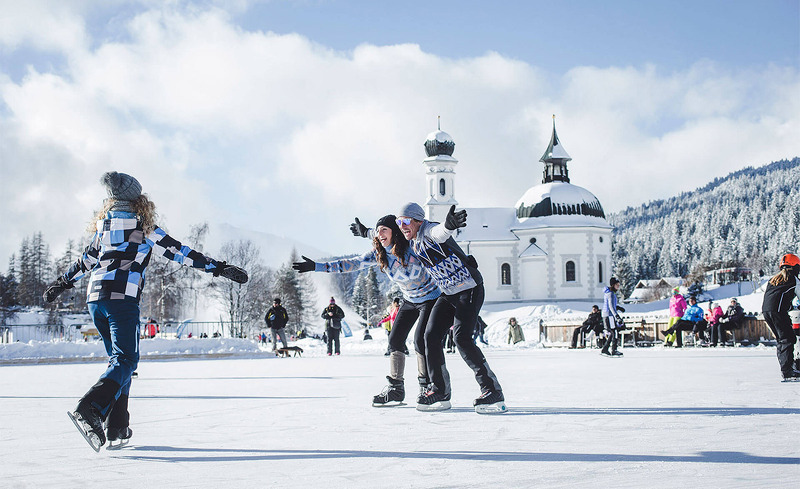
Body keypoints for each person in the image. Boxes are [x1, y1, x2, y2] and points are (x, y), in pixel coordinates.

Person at [43, 171, 248, 450]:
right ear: (138, 199)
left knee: (120, 363)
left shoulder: (103, 230)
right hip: (121, 300)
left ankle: (117, 427)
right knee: (126, 360)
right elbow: (181, 252)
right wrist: (219, 268)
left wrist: (61, 283)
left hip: (95, 301)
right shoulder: (143, 228)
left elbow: (83, 262)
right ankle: (91, 407)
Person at [295, 215, 443, 407]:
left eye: (384, 230)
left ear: (394, 232)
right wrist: (316, 266)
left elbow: (437, 250)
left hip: (431, 298)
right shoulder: (378, 253)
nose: (380, 235)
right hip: (410, 300)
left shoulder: (411, 247)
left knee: (420, 341)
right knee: (395, 340)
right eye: (378, 231)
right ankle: (396, 388)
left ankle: (426, 385)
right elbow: (350, 264)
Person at [394, 203, 505, 413]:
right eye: (399, 222)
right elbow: (384, 232)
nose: (402, 226)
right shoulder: (412, 239)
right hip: (448, 292)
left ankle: (492, 391)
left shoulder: (428, 231)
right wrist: (366, 232)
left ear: (418, 220)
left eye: (406, 221)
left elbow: (440, 233)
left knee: (461, 338)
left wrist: (449, 224)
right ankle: (440, 391)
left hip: (469, 289)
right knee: (430, 336)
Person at [761, 254, 800, 381]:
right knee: (788, 338)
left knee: (782, 339)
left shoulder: (774, 279)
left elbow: (776, 296)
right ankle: (787, 371)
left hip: (767, 311)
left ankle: (787, 368)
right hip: (778, 312)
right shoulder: (793, 279)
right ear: (796, 266)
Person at [600, 278, 624, 357]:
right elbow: (610, 306)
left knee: (612, 332)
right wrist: (617, 316)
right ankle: (613, 350)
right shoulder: (610, 294)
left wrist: (618, 308)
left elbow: (611, 305)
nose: (618, 286)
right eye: (617, 285)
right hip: (609, 315)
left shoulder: (610, 293)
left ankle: (606, 349)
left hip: (608, 314)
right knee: (613, 332)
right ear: (613, 285)